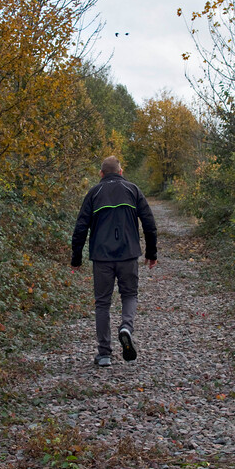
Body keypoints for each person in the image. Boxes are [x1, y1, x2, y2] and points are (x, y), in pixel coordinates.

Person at [71, 156, 158, 367]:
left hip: (101, 258)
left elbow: (81, 227)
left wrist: (76, 258)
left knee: (102, 303)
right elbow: (149, 223)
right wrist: (151, 253)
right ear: (120, 172)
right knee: (129, 294)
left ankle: (104, 354)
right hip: (128, 254)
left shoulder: (94, 193)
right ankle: (126, 327)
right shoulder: (133, 190)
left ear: (101, 174)